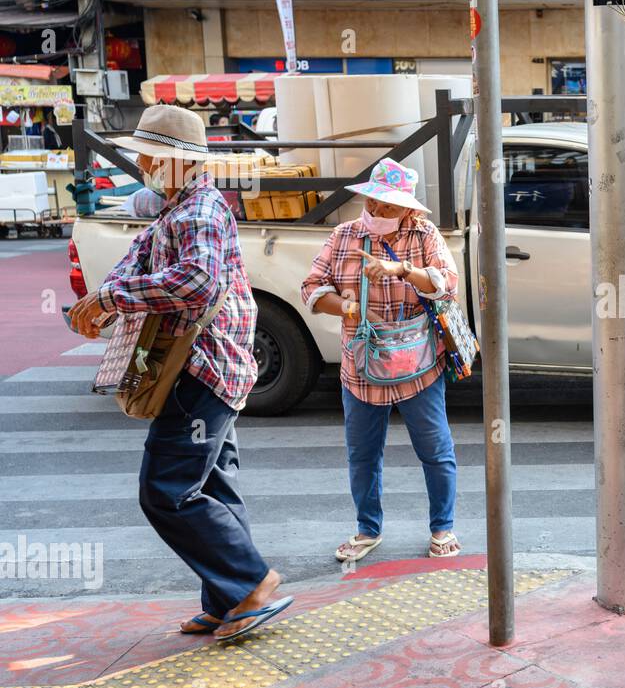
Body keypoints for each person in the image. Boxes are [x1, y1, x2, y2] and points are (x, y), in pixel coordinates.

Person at [66, 105, 293, 641]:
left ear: (176, 162)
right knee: (214, 484)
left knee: (165, 489)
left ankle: (251, 584)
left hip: (201, 368)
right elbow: (137, 260)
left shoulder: (198, 211)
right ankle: (226, 599)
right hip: (211, 367)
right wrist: (105, 297)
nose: (143, 163)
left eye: (151, 155)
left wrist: (112, 296)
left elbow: (197, 283)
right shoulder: (177, 207)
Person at [301, 158, 463, 563]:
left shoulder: (424, 234)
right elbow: (311, 289)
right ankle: (366, 528)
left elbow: (447, 284)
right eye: (372, 204)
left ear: (407, 208)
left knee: (435, 449)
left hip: (419, 364)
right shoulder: (344, 235)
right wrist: (349, 308)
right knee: (362, 453)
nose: (376, 213)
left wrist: (401, 269)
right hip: (361, 367)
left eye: (387, 207)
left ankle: (443, 527)